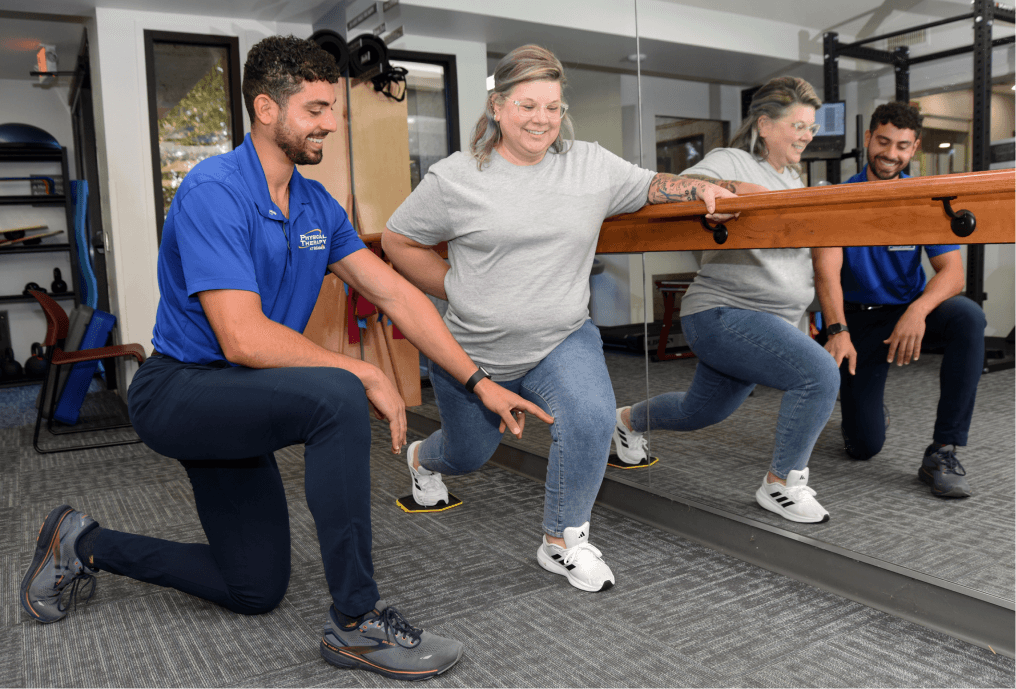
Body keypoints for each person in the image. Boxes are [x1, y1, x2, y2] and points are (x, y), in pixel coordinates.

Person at [19, 35, 550, 682]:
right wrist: (362, 369)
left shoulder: (318, 207)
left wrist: (477, 380)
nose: (330, 123)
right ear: (266, 109)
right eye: (317, 108)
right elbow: (241, 337)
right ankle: (357, 621)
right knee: (337, 395)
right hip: (179, 391)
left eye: (333, 110)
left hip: (243, 397)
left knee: (253, 586)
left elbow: (397, 295)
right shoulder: (214, 190)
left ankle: (81, 541)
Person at [382, 44, 738, 593]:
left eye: (552, 107)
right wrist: (452, 285)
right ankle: (422, 460)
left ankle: (563, 540)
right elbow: (397, 239)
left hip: (561, 338)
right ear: (497, 107)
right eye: (527, 105)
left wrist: (703, 189)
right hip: (473, 350)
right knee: (468, 454)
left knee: (593, 417)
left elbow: (649, 185)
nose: (542, 119)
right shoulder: (455, 178)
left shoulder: (590, 164)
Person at [611, 76, 841, 524]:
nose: (807, 136)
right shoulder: (731, 159)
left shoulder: (794, 178)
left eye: (811, 128)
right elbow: (688, 187)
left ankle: (625, 421)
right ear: (765, 125)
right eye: (797, 125)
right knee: (818, 375)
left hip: (768, 321)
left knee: (701, 411)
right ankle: (782, 484)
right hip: (724, 312)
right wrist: (756, 195)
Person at [813, 102, 985, 498]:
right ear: (868, 139)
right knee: (863, 448)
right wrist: (837, 330)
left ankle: (942, 450)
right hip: (856, 320)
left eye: (903, 146)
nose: (891, 154)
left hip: (908, 311)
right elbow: (826, 271)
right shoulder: (839, 199)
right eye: (884, 142)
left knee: (968, 318)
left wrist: (918, 310)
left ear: (915, 148)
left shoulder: (922, 198)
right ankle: (864, 413)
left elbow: (953, 274)